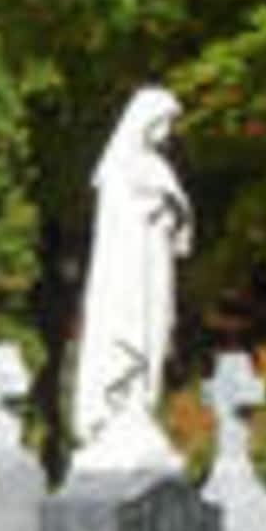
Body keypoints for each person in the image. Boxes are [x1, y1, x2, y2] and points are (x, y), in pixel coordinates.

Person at [71, 86, 191, 470]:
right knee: (127, 332)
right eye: (164, 122)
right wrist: (151, 207)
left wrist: (169, 216)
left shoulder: (157, 167)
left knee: (153, 331)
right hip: (126, 272)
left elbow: (178, 225)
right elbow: (117, 225)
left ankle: (139, 405)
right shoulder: (119, 167)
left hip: (153, 267)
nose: (168, 131)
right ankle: (120, 409)